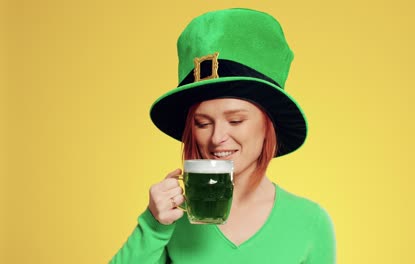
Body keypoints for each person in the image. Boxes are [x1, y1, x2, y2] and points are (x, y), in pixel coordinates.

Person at [110, 8, 335, 264]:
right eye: (203, 123)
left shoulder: (310, 223)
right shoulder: (170, 218)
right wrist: (153, 225)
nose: (217, 138)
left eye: (236, 120)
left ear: (268, 124)